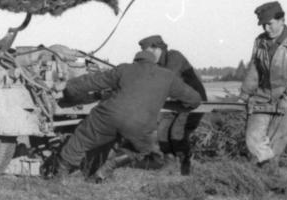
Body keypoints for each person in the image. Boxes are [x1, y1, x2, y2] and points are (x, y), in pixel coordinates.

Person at [53, 49, 202, 182]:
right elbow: (194, 100)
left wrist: (69, 88)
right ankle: (104, 171)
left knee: (82, 139)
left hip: (108, 116)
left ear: (136, 60)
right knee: (140, 148)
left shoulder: (124, 69)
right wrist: (177, 106)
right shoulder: (167, 76)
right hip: (140, 124)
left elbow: (91, 82)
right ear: (154, 62)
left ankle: (60, 176)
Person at [240, 1, 287, 188]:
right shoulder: (260, 41)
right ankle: (268, 177)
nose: (266, 28)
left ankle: (267, 182)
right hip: (263, 98)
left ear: (282, 20)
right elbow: (255, 68)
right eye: (263, 25)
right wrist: (246, 93)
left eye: (270, 23)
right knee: (253, 140)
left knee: (275, 145)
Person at [138, 34, 207, 175]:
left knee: (177, 132)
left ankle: (185, 165)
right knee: (162, 131)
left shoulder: (174, 57)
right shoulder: (156, 64)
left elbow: (168, 79)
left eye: (149, 53)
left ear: (157, 48)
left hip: (192, 102)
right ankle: (170, 163)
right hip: (174, 103)